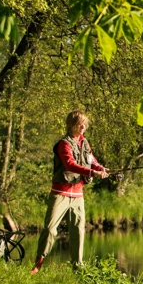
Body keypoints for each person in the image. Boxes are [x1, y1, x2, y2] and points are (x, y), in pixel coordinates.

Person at [31, 111, 108, 273]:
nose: (83, 127)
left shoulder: (84, 143)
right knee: (50, 229)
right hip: (60, 193)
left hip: (78, 195)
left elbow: (91, 161)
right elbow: (70, 165)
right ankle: (38, 264)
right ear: (71, 125)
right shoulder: (63, 144)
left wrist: (101, 169)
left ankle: (77, 266)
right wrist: (92, 173)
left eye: (85, 124)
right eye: (80, 124)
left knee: (78, 230)